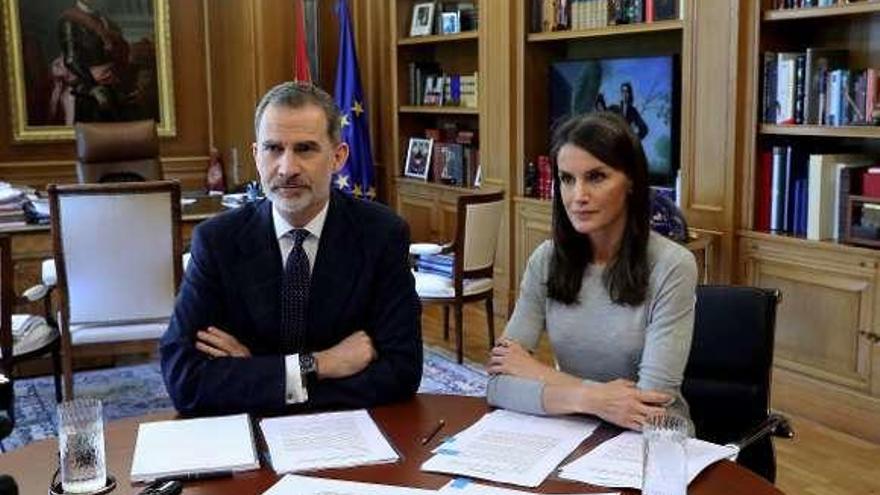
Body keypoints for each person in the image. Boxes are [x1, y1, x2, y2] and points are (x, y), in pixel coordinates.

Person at [160, 82, 423, 416]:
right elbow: (186, 381)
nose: (287, 168)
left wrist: (256, 373)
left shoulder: (382, 235)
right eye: (273, 149)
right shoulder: (217, 242)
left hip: (345, 434)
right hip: (245, 440)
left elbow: (401, 372)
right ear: (256, 155)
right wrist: (320, 364)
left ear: (338, 157)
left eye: (305, 149)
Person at [486, 112, 696, 431]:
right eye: (567, 179)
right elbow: (498, 385)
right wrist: (592, 398)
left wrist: (538, 373)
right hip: (575, 428)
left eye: (596, 177)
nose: (578, 196)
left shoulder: (672, 265)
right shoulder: (546, 260)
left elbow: (651, 408)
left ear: (631, 183)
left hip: (650, 442)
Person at [58, 0, 131, 122]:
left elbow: (119, 54)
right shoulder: (69, 20)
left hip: (112, 86)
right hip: (87, 91)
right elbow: (71, 60)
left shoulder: (106, 22)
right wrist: (93, 87)